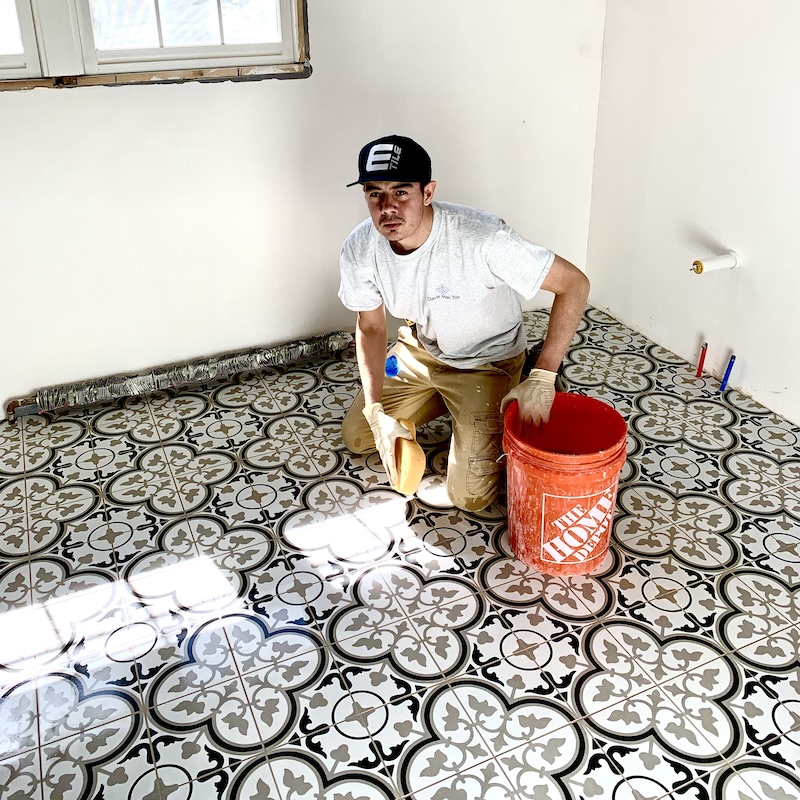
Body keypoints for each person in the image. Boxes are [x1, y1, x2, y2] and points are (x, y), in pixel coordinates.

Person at [338, 134, 590, 512]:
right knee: (357, 437)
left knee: (469, 498)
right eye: (375, 194)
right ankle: (445, 400)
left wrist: (545, 374)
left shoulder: (482, 237)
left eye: (401, 192)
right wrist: (376, 412)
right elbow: (372, 327)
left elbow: (574, 284)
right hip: (420, 350)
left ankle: (516, 383)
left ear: (427, 192)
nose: (387, 207)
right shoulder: (360, 248)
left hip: (485, 363)